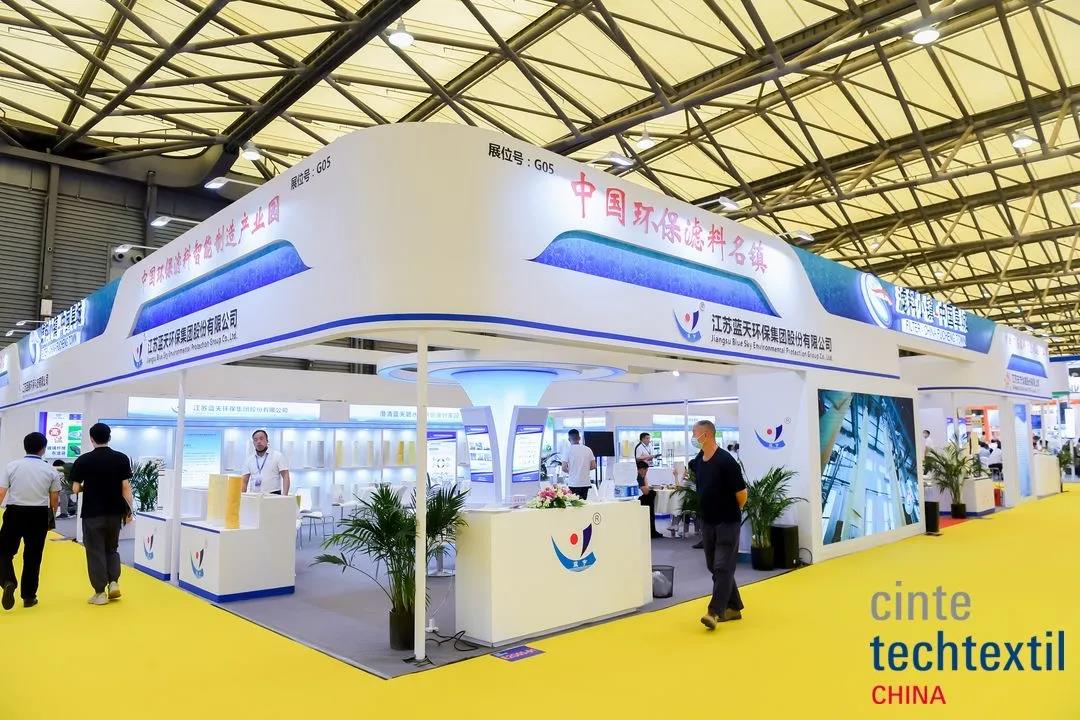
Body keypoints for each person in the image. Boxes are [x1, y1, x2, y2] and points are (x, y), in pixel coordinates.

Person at [690, 420, 748, 630]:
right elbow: (694, 469)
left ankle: (714, 612)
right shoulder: (700, 459)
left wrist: (729, 510)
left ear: (706, 435)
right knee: (713, 566)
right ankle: (734, 606)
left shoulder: (726, 461)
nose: (693, 438)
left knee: (723, 566)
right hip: (708, 522)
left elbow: (742, 495)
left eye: (695, 433)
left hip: (727, 521)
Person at [70, 423, 134, 606]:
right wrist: (129, 510)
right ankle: (113, 582)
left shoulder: (83, 460)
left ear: (91, 439)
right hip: (114, 512)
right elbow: (125, 487)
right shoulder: (121, 458)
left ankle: (100, 592)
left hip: (92, 514)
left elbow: (75, 488)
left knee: (95, 551)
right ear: (109, 437)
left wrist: (88, 487)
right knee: (111, 548)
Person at [0, 432, 61, 610]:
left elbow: (2, 492)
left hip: (14, 512)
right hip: (38, 515)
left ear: (25, 446)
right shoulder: (50, 470)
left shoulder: (12, 466)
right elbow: (54, 498)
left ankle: (8, 580)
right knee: (33, 556)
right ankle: (29, 596)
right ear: (43, 449)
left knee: (3, 551)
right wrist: (51, 516)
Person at [242, 430, 290, 495]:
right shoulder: (249, 460)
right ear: (253, 443)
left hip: (273, 495)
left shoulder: (277, 456)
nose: (258, 441)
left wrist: (285, 496)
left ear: (267, 441)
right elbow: (244, 482)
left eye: (261, 439)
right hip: (254, 495)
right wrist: (241, 497)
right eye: (255, 440)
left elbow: (285, 475)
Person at [561, 429, 596, 501]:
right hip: (585, 483)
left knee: (574, 504)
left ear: (569, 439)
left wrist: (572, 471)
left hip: (573, 483)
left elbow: (564, 468)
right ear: (579, 438)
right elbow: (593, 466)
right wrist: (584, 469)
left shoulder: (567, 450)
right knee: (584, 504)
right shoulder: (588, 449)